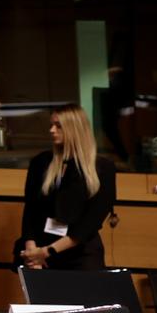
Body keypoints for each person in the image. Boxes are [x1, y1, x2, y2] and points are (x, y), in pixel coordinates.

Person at [17, 104, 117, 271]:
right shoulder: (40, 162)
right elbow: (30, 211)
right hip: (40, 250)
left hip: (80, 253)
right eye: (51, 125)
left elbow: (91, 223)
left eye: (58, 126)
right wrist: (32, 251)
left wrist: (48, 252)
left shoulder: (102, 168)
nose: (52, 130)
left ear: (75, 129)